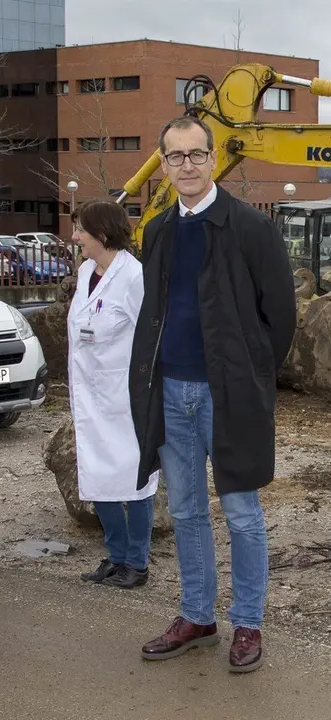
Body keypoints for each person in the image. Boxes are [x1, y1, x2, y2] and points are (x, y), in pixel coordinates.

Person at [129, 116, 296, 673]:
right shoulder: (158, 231)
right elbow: (155, 312)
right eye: (175, 156)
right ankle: (197, 616)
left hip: (229, 395)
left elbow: (281, 316)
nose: (187, 165)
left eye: (196, 154)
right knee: (186, 510)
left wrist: (251, 375)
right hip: (171, 392)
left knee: (243, 513)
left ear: (214, 157)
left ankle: (248, 622)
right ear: (163, 165)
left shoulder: (250, 227)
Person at [67, 199, 157, 589]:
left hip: (125, 399)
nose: (75, 237)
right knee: (97, 475)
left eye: (81, 230)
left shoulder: (134, 276)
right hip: (90, 395)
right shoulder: (86, 271)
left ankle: (136, 563)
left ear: (102, 234)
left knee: (135, 479)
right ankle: (116, 556)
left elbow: (152, 337)